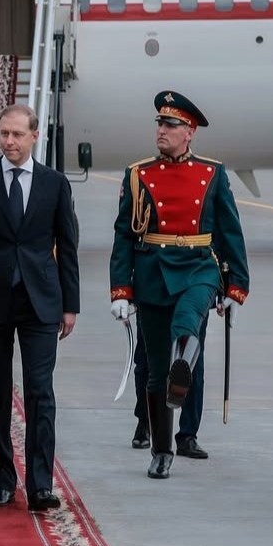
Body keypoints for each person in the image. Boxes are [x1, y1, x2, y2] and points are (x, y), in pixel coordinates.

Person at [110, 90, 248, 479]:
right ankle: (161, 451)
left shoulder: (212, 173)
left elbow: (230, 232)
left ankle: (182, 369)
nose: (162, 130)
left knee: (188, 319)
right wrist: (120, 289)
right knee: (155, 370)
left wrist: (236, 287)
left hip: (199, 266)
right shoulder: (138, 174)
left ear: (190, 132)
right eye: (160, 123)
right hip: (153, 270)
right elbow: (124, 235)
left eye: (171, 125)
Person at [0, 103, 80, 512]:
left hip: (41, 300)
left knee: (41, 392)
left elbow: (68, 246)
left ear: (34, 137)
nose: (9, 141)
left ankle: (40, 485)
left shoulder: (55, 184)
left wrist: (70, 305)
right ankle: (3, 479)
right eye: (4, 133)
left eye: (17, 135)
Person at [131, 312, 208, 458]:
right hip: (154, 298)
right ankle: (145, 420)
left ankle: (188, 434)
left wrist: (228, 297)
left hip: (194, 299)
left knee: (192, 360)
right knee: (147, 357)